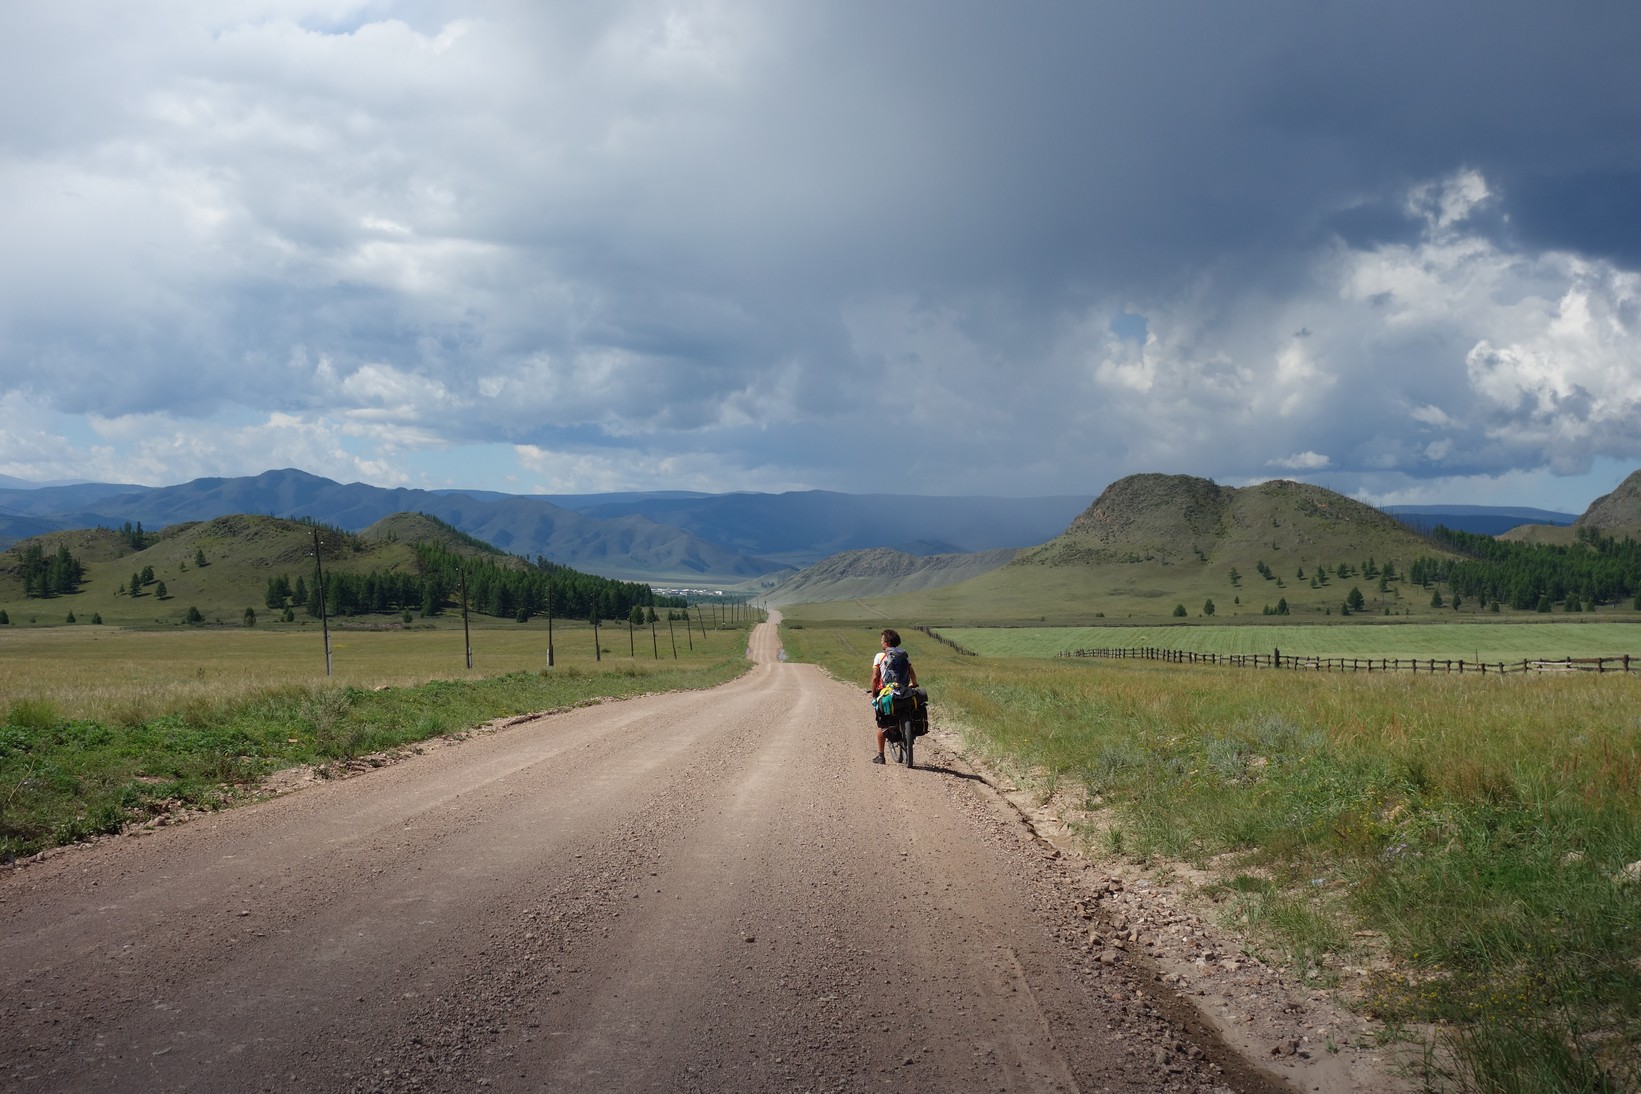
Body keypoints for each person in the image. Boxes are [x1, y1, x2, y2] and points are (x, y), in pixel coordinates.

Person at [868, 628, 917, 764]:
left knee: (881, 724)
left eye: (882, 640)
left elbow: (875, 677)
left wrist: (873, 694)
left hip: (887, 692)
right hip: (904, 691)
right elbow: (911, 672)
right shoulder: (904, 655)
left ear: (887, 643)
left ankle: (881, 756)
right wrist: (914, 684)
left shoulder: (880, 656)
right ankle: (908, 736)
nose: (881, 643)